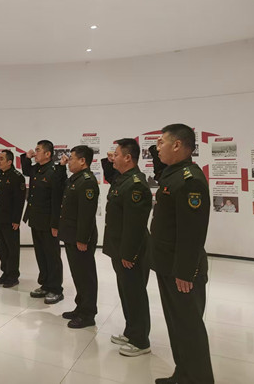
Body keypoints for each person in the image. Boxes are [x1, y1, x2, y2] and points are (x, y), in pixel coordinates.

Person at [151, 124, 214, 384]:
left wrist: (185, 271)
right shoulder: (172, 174)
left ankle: (199, 379)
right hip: (168, 264)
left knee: (189, 328)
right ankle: (183, 374)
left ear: (177, 145)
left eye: (161, 142)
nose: (157, 147)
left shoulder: (190, 180)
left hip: (182, 270)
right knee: (177, 325)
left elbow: (192, 233)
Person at [103, 138, 153, 356]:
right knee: (126, 292)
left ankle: (141, 341)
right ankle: (131, 331)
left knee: (135, 294)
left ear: (128, 158)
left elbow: (135, 225)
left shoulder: (135, 184)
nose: (113, 157)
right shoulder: (123, 179)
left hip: (131, 250)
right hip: (120, 248)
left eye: (117, 154)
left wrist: (129, 254)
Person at [57, 145, 99, 329]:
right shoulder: (75, 179)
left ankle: (88, 314)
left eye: (72, 158)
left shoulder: (87, 181)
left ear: (83, 161)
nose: (69, 162)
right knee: (78, 275)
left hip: (80, 238)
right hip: (72, 235)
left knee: (86, 276)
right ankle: (80, 307)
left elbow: (86, 214)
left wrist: (83, 239)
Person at [21, 140, 66, 304]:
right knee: (41, 254)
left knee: (52, 256)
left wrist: (55, 224)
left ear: (48, 154)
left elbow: (56, 201)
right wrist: (27, 157)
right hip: (36, 219)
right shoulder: (36, 169)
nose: (36, 152)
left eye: (38, 150)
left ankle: (56, 289)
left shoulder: (54, 171)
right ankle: (45, 284)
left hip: (48, 222)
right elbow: (26, 170)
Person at [0, 150, 26, 288]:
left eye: (1, 159)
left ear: (9, 162)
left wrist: (16, 220)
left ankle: (13, 275)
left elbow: (19, 201)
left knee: (12, 248)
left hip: (10, 219)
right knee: (1, 247)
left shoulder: (17, 177)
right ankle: (5, 272)